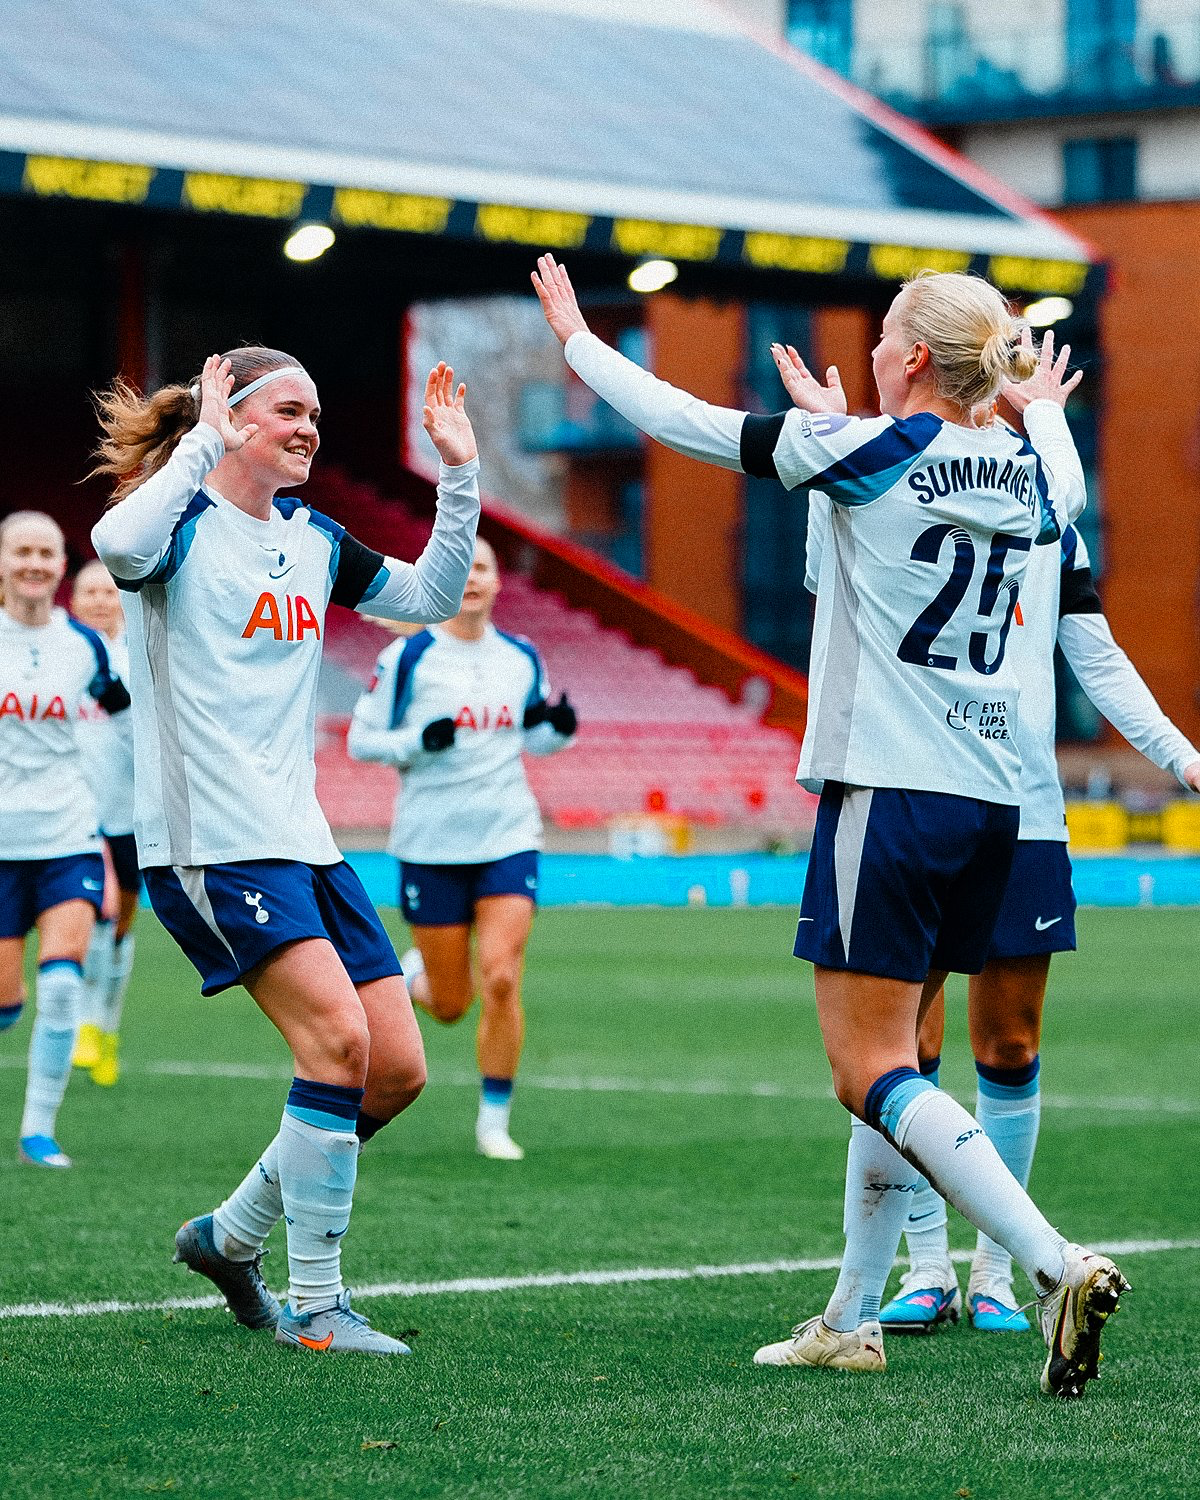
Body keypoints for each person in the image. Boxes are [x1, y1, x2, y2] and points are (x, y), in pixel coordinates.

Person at [532, 253, 1125, 1399]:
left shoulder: (862, 451)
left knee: (868, 1072)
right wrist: (1042, 412)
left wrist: (579, 343)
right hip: (994, 803)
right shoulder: (1030, 468)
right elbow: (1063, 480)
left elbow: (685, 421)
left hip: (888, 794)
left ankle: (1050, 1263)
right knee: (896, 1052)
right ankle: (853, 1315)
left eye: (888, 331)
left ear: (906, 357)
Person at [91, 350, 479, 1356]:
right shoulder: (173, 524)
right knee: (337, 1047)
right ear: (232, 414)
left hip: (304, 842)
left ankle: (230, 1237)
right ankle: (317, 1306)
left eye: (317, 412)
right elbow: (114, 540)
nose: (310, 427)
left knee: (393, 1071)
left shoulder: (312, 539)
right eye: (289, 410)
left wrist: (461, 474)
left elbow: (430, 596)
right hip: (210, 844)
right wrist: (204, 443)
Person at [865, 517, 1200, 1332]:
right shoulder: (903, 480)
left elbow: (1096, 654)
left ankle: (993, 1271)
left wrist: (1180, 755)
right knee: (902, 1042)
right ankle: (926, 1266)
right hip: (916, 794)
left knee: (1009, 1044)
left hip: (1028, 811)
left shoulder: (1054, 515)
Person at [347, 537, 577, 1160]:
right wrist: (419, 741)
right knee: (451, 1005)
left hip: (509, 836)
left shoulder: (522, 657)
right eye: (462, 567)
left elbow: (533, 733)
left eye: (483, 568)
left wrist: (556, 731)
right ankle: (420, 973)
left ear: (499, 582)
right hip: (431, 843)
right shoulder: (409, 656)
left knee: (501, 976)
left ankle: (494, 1121)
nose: (472, 578)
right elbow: (362, 742)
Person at [0, 511, 130, 1167]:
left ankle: (38, 1133)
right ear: (2, 561)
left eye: (45, 553)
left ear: (59, 565)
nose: (33, 563)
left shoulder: (86, 645)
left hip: (68, 836)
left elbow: (125, 715)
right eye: (21, 551)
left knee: (60, 985)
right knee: (6, 999)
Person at [70, 560, 140, 1086]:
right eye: (88, 591)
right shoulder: (60, 656)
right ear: (73, 600)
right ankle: (83, 1025)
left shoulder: (139, 654)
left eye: (107, 590)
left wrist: (123, 709)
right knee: (97, 914)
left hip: (130, 814)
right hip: (73, 814)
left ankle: (107, 1027)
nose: (98, 599)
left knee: (117, 930)